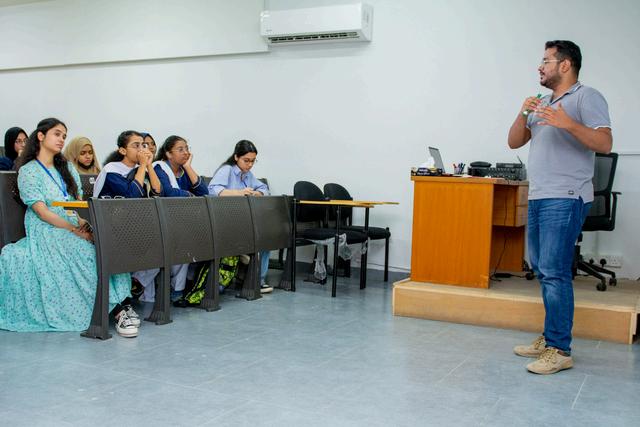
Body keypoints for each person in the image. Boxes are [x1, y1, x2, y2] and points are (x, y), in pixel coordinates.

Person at [508, 40, 612, 374]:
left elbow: (604, 143)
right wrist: (523, 112)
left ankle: (559, 349)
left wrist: (568, 123)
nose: (540, 66)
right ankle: (550, 337)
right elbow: (513, 141)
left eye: (546, 60)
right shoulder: (541, 102)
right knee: (541, 268)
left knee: (554, 271)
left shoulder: (586, 97)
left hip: (566, 196)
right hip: (539, 194)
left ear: (565, 65)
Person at [0, 118, 138, 338]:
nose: (62, 139)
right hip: (45, 227)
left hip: (71, 222)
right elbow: (42, 212)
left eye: (64, 136)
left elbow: (74, 206)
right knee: (83, 251)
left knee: (106, 243)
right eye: (57, 134)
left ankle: (121, 302)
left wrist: (84, 225)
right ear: (41, 136)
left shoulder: (67, 169)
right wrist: (72, 230)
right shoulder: (29, 171)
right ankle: (118, 311)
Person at [94, 131, 185, 303]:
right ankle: (135, 287)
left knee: (169, 242)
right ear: (122, 150)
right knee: (160, 244)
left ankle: (137, 285)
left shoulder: (140, 169)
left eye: (143, 145)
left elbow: (159, 192)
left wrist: (148, 166)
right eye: (136, 146)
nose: (142, 149)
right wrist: (143, 166)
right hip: (110, 227)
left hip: (134, 226)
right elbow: (131, 196)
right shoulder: (112, 170)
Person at [208, 140, 272, 293]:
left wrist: (258, 193)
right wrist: (239, 193)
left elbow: (264, 188)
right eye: (246, 160)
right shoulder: (227, 170)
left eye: (253, 161)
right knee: (257, 239)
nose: (250, 165)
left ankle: (258, 280)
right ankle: (252, 274)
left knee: (266, 241)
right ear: (236, 157)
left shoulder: (248, 175)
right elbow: (213, 190)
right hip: (225, 222)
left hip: (243, 221)